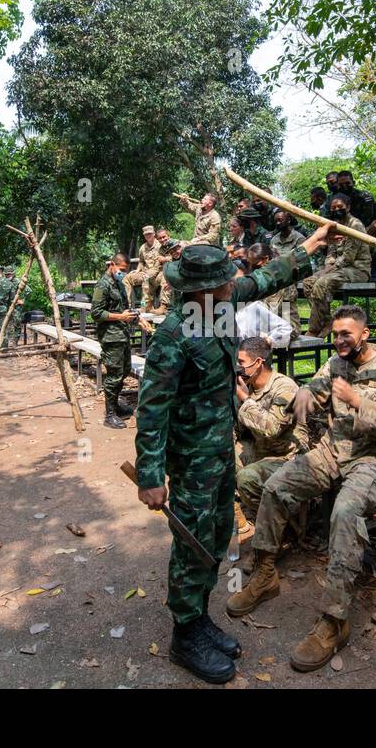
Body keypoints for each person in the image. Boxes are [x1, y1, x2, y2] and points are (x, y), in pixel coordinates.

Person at [135, 227, 333, 684]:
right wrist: (150, 473)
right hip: (189, 461)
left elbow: (264, 280)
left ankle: (200, 617)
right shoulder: (173, 336)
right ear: (202, 290)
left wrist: (310, 246)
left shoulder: (220, 306)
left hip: (222, 450)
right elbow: (152, 408)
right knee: (193, 542)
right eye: (225, 279)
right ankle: (184, 634)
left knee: (220, 530)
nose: (234, 282)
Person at [226, 305, 376, 672]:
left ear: (365, 334)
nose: (339, 340)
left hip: (373, 459)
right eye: (335, 333)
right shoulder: (335, 363)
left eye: (347, 334)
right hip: (331, 451)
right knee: (276, 485)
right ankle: (265, 575)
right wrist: (305, 397)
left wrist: (360, 402)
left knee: (345, 512)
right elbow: (315, 388)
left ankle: (335, 620)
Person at [234, 336, 307, 544]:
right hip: (259, 451)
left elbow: (272, 428)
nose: (238, 368)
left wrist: (245, 400)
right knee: (216, 456)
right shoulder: (246, 384)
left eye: (241, 363)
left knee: (246, 478)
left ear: (258, 363)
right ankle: (244, 522)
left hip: (286, 457)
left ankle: (281, 531)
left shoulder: (284, 387)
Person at [301, 193, 370, 337]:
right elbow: (331, 252)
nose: (337, 209)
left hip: (357, 270)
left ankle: (313, 329)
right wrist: (328, 265)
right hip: (337, 269)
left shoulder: (355, 225)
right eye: (334, 207)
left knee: (322, 283)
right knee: (308, 282)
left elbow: (348, 257)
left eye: (340, 207)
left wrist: (329, 270)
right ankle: (326, 320)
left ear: (348, 207)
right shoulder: (335, 226)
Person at [91, 253, 138, 429]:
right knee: (114, 375)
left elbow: (124, 308)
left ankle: (116, 405)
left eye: (125, 271)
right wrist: (120, 316)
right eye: (121, 270)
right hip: (110, 337)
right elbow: (96, 313)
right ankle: (109, 415)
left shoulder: (118, 283)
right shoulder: (102, 285)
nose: (123, 273)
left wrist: (134, 316)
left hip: (122, 334)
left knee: (124, 371)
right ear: (112, 265)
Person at [267, 213, 308, 339]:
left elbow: (303, 263)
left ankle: (289, 328)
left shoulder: (299, 238)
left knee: (285, 291)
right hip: (279, 275)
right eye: (276, 221)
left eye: (280, 220)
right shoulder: (274, 239)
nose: (278, 223)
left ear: (289, 220)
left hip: (294, 275)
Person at [123, 226, 163, 310]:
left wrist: (148, 274)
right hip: (145, 272)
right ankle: (126, 305)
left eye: (150, 234)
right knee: (126, 278)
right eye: (146, 235)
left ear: (154, 234)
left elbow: (160, 264)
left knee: (146, 282)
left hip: (157, 273)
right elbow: (141, 261)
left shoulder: (160, 245)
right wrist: (137, 270)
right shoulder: (142, 247)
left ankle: (144, 306)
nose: (148, 236)